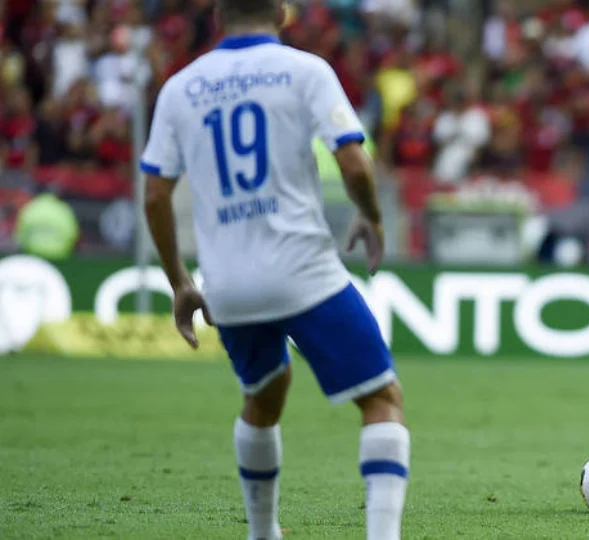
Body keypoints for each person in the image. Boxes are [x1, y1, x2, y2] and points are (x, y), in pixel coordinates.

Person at [140, 1, 409, 539]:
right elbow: (353, 160)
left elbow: (155, 195)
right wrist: (372, 218)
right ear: (282, 12)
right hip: (302, 271)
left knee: (264, 396)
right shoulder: (306, 71)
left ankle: (262, 534)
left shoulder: (180, 87)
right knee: (382, 399)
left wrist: (180, 283)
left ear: (218, 15)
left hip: (229, 285)